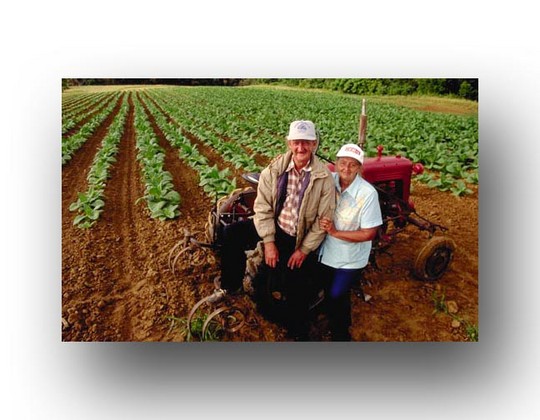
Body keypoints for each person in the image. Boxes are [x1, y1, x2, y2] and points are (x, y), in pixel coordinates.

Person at [213, 120, 336, 341]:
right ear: (289, 143)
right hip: (274, 227)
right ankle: (231, 287)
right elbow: (262, 207)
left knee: (294, 283)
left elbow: (323, 220)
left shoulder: (324, 177)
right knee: (232, 234)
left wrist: (304, 250)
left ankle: (298, 332)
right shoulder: (275, 169)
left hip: (298, 237)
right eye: (297, 142)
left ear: (314, 144)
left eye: (306, 143)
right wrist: (269, 242)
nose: (301, 148)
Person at [318, 143, 383, 341]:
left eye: (353, 165)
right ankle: (328, 316)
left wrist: (335, 232)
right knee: (325, 291)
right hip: (324, 250)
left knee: (337, 294)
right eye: (343, 163)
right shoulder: (329, 180)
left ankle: (341, 333)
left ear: (359, 168)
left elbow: (369, 233)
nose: (346, 169)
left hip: (349, 257)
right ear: (336, 164)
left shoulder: (367, 194)